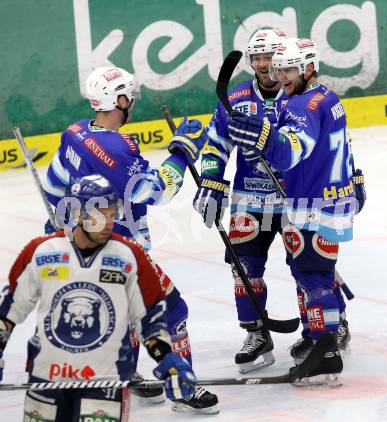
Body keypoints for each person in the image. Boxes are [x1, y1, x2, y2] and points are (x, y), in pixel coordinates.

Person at [42, 66, 218, 413]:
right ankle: (181, 388)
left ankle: (119, 374)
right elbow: (159, 191)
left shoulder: (74, 133)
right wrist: (182, 152)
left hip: (78, 245)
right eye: (129, 97)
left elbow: (52, 185)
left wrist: (61, 230)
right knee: (172, 311)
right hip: (120, 249)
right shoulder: (120, 149)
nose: (132, 102)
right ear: (120, 99)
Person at [193, 28, 351, 374]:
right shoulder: (235, 100)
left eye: (271, 57)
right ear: (251, 61)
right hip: (250, 199)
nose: (265, 65)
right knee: (244, 269)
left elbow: (324, 145)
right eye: (258, 57)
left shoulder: (298, 98)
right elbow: (214, 145)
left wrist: (352, 177)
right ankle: (257, 334)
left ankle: (321, 333)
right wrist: (211, 179)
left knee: (308, 270)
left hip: (296, 198)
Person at [0, 175, 197, 421]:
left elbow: (150, 319)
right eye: (100, 214)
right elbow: (8, 312)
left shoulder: (130, 256)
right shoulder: (41, 252)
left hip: (106, 380)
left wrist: (167, 358)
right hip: (48, 377)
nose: (108, 223)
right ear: (79, 215)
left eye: (112, 214)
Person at [226, 37, 364, 386]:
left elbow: (290, 151)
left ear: (309, 67)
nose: (281, 76)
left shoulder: (302, 106)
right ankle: (323, 342)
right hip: (331, 200)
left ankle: (326, 350)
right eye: (279, 68)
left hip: (311, 205)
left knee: (313, 277)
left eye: (289, 69)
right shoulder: (328, 99)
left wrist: (262, 139)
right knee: (313, 273)